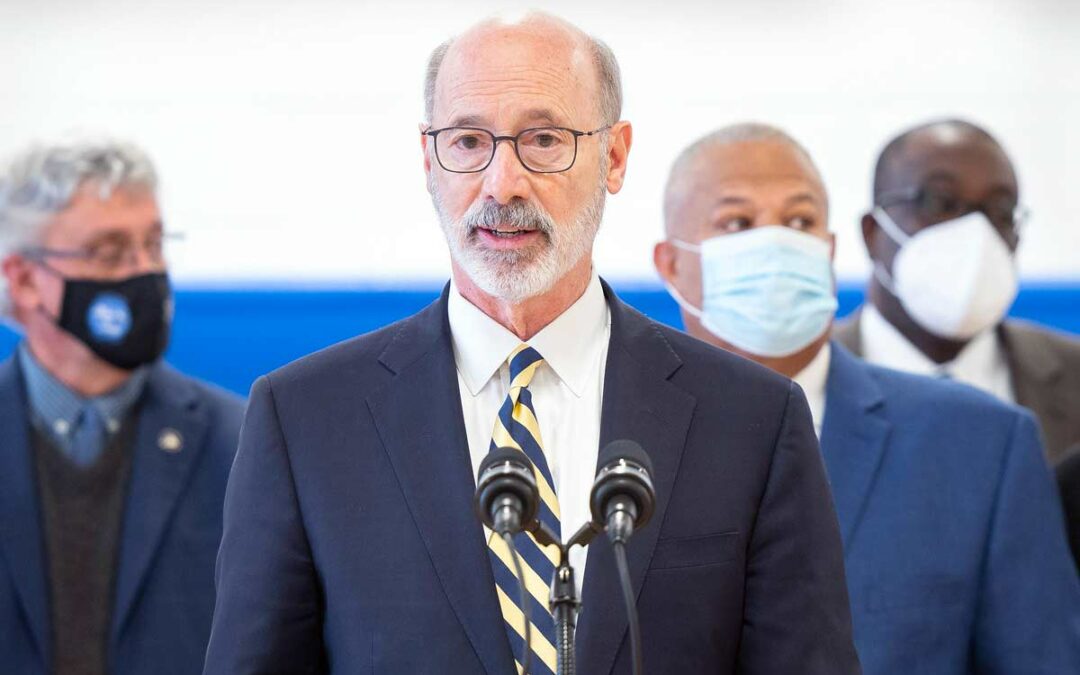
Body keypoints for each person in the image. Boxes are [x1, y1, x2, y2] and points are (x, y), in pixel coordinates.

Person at [204, 13, 860, 675]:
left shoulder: (752, 419)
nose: (502, 183)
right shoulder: (307, 419)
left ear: (614, 156)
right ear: (428, 160)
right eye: (467, 142)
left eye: (543, 139)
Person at [654, 123, 1080, 674]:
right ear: (671, 264)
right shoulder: (615, 433)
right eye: (737, 223)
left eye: (800, 221)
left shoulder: (983, 444)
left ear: (829, 251)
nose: (777, 243)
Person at [0, 140, 244, 675]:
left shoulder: (242, 443)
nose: (144, 272)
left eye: (154, 245)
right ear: (22, 280)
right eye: (109, 253)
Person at [832, 119, 1080, 463]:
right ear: (873, 232)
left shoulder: (1074, 375)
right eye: (939, 202)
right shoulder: (800, 380)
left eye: (1001, 211)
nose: (976, 232)